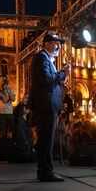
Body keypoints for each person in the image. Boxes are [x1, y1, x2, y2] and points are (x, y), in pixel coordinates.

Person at [28, 32, 70, 182]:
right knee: (46, 140)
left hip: (48, 106)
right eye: (55, 42)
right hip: (45, 106)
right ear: (46, 43)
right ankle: (45, 172)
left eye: (59, 43)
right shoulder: (41, 57)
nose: (59, 46)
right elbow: (46, 79)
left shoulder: (46, 59)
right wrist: (63, 74)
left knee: (47, 140)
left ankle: (45, 171)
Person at [0, 74, 15, 141]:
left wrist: (7, 90)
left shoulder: (11, 89)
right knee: (2, 134)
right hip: (1, 114)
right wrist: (1, 89)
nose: (3, 81)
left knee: (12, 132)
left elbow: (13, 99)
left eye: (5, 80)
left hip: (10, 113)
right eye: (2, 80)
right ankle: (3, 148)